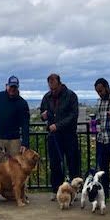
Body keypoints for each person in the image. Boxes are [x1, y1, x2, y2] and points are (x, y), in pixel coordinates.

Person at [40, 73, 80, 201]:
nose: (52, 90)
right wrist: (43, 115)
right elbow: (42, 112)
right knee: (55, 164)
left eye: (54, 87)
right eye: (50, 87)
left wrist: (58, 125)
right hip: (54, 136)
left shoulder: (71, 95)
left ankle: (75, 191)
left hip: (68, 135)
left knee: (72, 162)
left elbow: (73, 115)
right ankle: (56, 189)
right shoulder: (47, 97)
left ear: (60, 84)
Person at [0, 75, 30, 168]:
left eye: (14, 87)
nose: (12, 89)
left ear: (17, 87)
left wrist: (25, 142)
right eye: (11, 86)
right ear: (6, 86)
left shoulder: (22, 103)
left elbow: (25, 124)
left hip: (14, 140)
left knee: (16, 167)